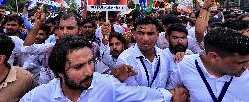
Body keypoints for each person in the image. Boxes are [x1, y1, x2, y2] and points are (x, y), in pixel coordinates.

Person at [20, 35, 188, 102]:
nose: (89, 71)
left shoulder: (107, 85)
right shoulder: (38, 97)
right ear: (59, 72)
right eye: (79, 66)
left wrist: (172, 95)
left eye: (90, 62)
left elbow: (141, 95)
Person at [168, 27, 249, 101]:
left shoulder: (246, 75)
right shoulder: (184, 66)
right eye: (239, 63)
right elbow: (173, 92)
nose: (246, 67)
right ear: (214, 57)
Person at [116, 16, 170, 88]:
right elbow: (133, 94)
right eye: (141, 33)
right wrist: (165, 94)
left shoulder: (165, 56)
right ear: (134, 34)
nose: (145, 39)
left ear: (157, 35)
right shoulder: (125, 59)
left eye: (150, 33)